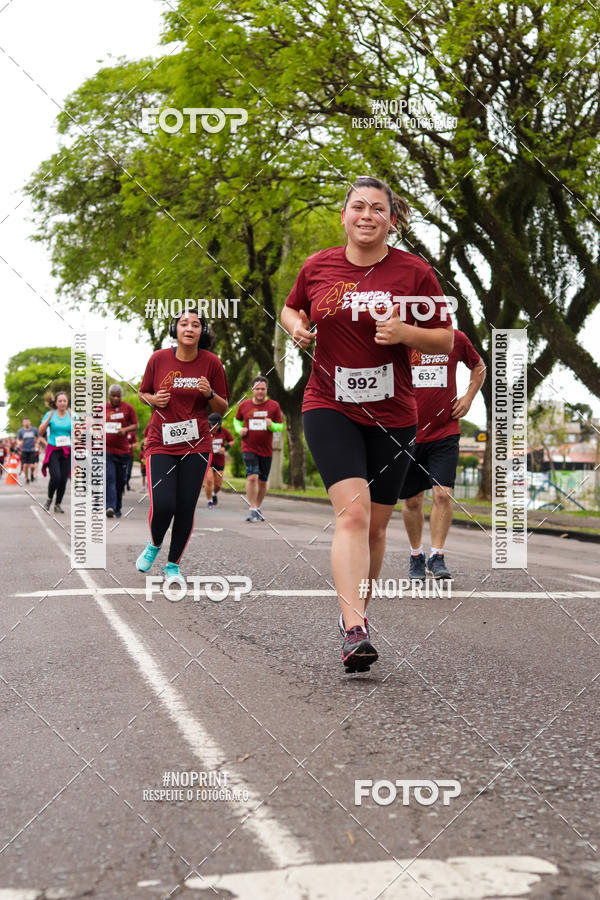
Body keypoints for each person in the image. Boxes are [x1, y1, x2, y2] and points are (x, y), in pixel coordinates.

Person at [281, 175, 453, 673]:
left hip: (395, 413)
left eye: (378, 208)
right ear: (344, 216)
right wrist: (297, 328)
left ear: (391, 221)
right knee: (352, 516)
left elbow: (445, 338)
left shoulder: (414, 273)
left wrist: (406, 332)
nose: (367, 215)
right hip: (328, 403)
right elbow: (292, 307)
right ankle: (354, 627)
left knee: (377, 527)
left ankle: (358, 615)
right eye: (358, 206)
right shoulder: (317, 267)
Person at [136, 307, 228, 583]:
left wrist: (209, 393)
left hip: (196, 444)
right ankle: (154, 546)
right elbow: (143, 393)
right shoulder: (159, 359)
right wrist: (153, 400)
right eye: (184, 324)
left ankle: (173, 565)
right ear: (175, 330)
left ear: (203, 332)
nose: (189, 329)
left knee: (186, 505)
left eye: (196, 325)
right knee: (164, 503)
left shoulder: (212, 363)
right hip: (160, 442)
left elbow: (222, 406)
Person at [400, 330, 486, 580]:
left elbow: (479, 366)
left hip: (445, 431)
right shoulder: (401, 337)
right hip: (408, 432)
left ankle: (437, 556)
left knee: (442, 493)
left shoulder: (454, 339)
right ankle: (416, 555)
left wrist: (468, 398)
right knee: (413, 500)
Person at [234, 376, 284, 522]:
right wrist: (239, 430)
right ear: (253, 390)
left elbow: (280, 426)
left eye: (263, 389)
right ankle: (252, 508)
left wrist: (272, 425)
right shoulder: (244, 405)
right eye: (257, 389)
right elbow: (236, 421)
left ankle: (258, 507)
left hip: (266, 450)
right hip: (248, 447)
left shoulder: (274, 406)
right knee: (252, 477)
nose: (260, 391)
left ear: (266, 390)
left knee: (262, 481)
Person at [104, 385, 138, 518]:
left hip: (123, 452)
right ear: (109, 395)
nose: (116, 398)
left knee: (120, 481)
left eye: (118, 396)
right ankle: (110, 506)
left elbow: (135, 425)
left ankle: (117, 507)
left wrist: (124, 430)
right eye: (113, 395)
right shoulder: (102, 408)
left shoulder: (128, 408)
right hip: (107, 450)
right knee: (110, 478)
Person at [38, 392, 72, 514]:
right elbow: (40, 432)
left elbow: (80, 433)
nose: (62, 403)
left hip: (67, 450)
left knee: (63, 479)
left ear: (67, 402)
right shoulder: (50, 414)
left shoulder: (71, 414)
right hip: (53, 450)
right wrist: (48, 419)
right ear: (56, 403)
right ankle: (49, 499)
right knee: (56, 477)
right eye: (60, 401)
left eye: (64, 401)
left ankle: (58, 504)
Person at [205, 413, 234, 507]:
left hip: (219, 460)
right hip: (208, 459)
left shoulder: (224, 432)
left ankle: (214, 494)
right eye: (212, 425)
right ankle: (209, 500)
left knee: (218, 484)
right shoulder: (205, 431)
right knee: (209, 480)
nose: (215, 427)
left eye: (217, 425)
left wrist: (225, 448)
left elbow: (231, 441)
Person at [17, 418, 39, 483]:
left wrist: (37, 444)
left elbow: (38, 437)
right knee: (25, 465)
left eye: (27, 421)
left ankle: (32, 474)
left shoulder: (34, 429)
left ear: (30, 422)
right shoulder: (20, 431)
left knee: (32, 465)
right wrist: (19, 443)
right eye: (25, 422)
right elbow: (18, 439)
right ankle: (27, 478)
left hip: (32, 450)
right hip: (24, 450)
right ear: (23, 423)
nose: (26, 423)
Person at [125, 426, 138, 491]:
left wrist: (130, 446)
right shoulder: (120, 430)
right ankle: (122, 486)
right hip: (122, 455)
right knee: (123, 471)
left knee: (129, 472)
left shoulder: (132, 433)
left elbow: (136, 444)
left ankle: (127, 482)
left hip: (130, 455)